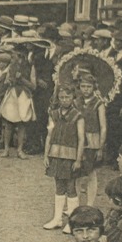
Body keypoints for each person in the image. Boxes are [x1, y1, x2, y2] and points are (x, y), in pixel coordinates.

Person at [41, 78, 86, 231]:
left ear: (73, 97)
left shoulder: (77, 116)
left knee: (71, 187)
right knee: (58, 186)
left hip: (71, 157)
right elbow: (49, 135)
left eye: (67, 97)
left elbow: (81, 139)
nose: (64, 100)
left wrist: (78, 159)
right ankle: (57, 218)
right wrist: (46, 155)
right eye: (61, 97)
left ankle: (72, 222)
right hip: (56, 155)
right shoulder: (53, 114)